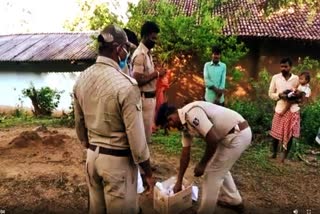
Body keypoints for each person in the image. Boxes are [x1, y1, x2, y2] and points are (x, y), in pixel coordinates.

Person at [73, 24, 154, 214]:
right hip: (118, 164)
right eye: (126, 48)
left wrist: (90, 145)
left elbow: (79, 125)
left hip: (92, 159)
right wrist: (147, 172)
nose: (127, 53)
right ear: (118, 49)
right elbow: (137, 140)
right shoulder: (126, 85)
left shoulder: (81, 79)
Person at [156, 101, 252, 214]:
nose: (172, 127)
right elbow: (185, 155)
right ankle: (234, 200)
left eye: (169, 124)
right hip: (227, 136)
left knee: (212, 173)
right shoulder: (184, 126)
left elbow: (212, 140)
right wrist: (179, 181)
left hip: (238, 134)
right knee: (220, 167)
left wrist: (202, 164)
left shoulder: (191, 113)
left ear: (170, 117)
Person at [131, 21, 166, 144]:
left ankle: (142, 162)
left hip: (150, 99)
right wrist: (156, 74)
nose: (155, 41)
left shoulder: (147, 54)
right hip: (143, 100)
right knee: (142, 138)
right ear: (145, 36)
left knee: (147, 136)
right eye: (153, 38)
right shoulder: (140, 54)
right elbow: (137, 79)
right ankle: (140, 163)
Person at [268, 57, 300, 162]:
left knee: (289, 134)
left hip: (292, 109)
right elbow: (270, 93)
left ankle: (284, 156)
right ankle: (273, 152)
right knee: (275, 132)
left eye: (286, 66)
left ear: (290, 67)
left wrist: (295, 97)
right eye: (282, 66)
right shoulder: (275, 78)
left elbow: (300, 92)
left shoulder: (296, 79)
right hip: (279, 108)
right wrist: (280, 95)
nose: (283, 68)